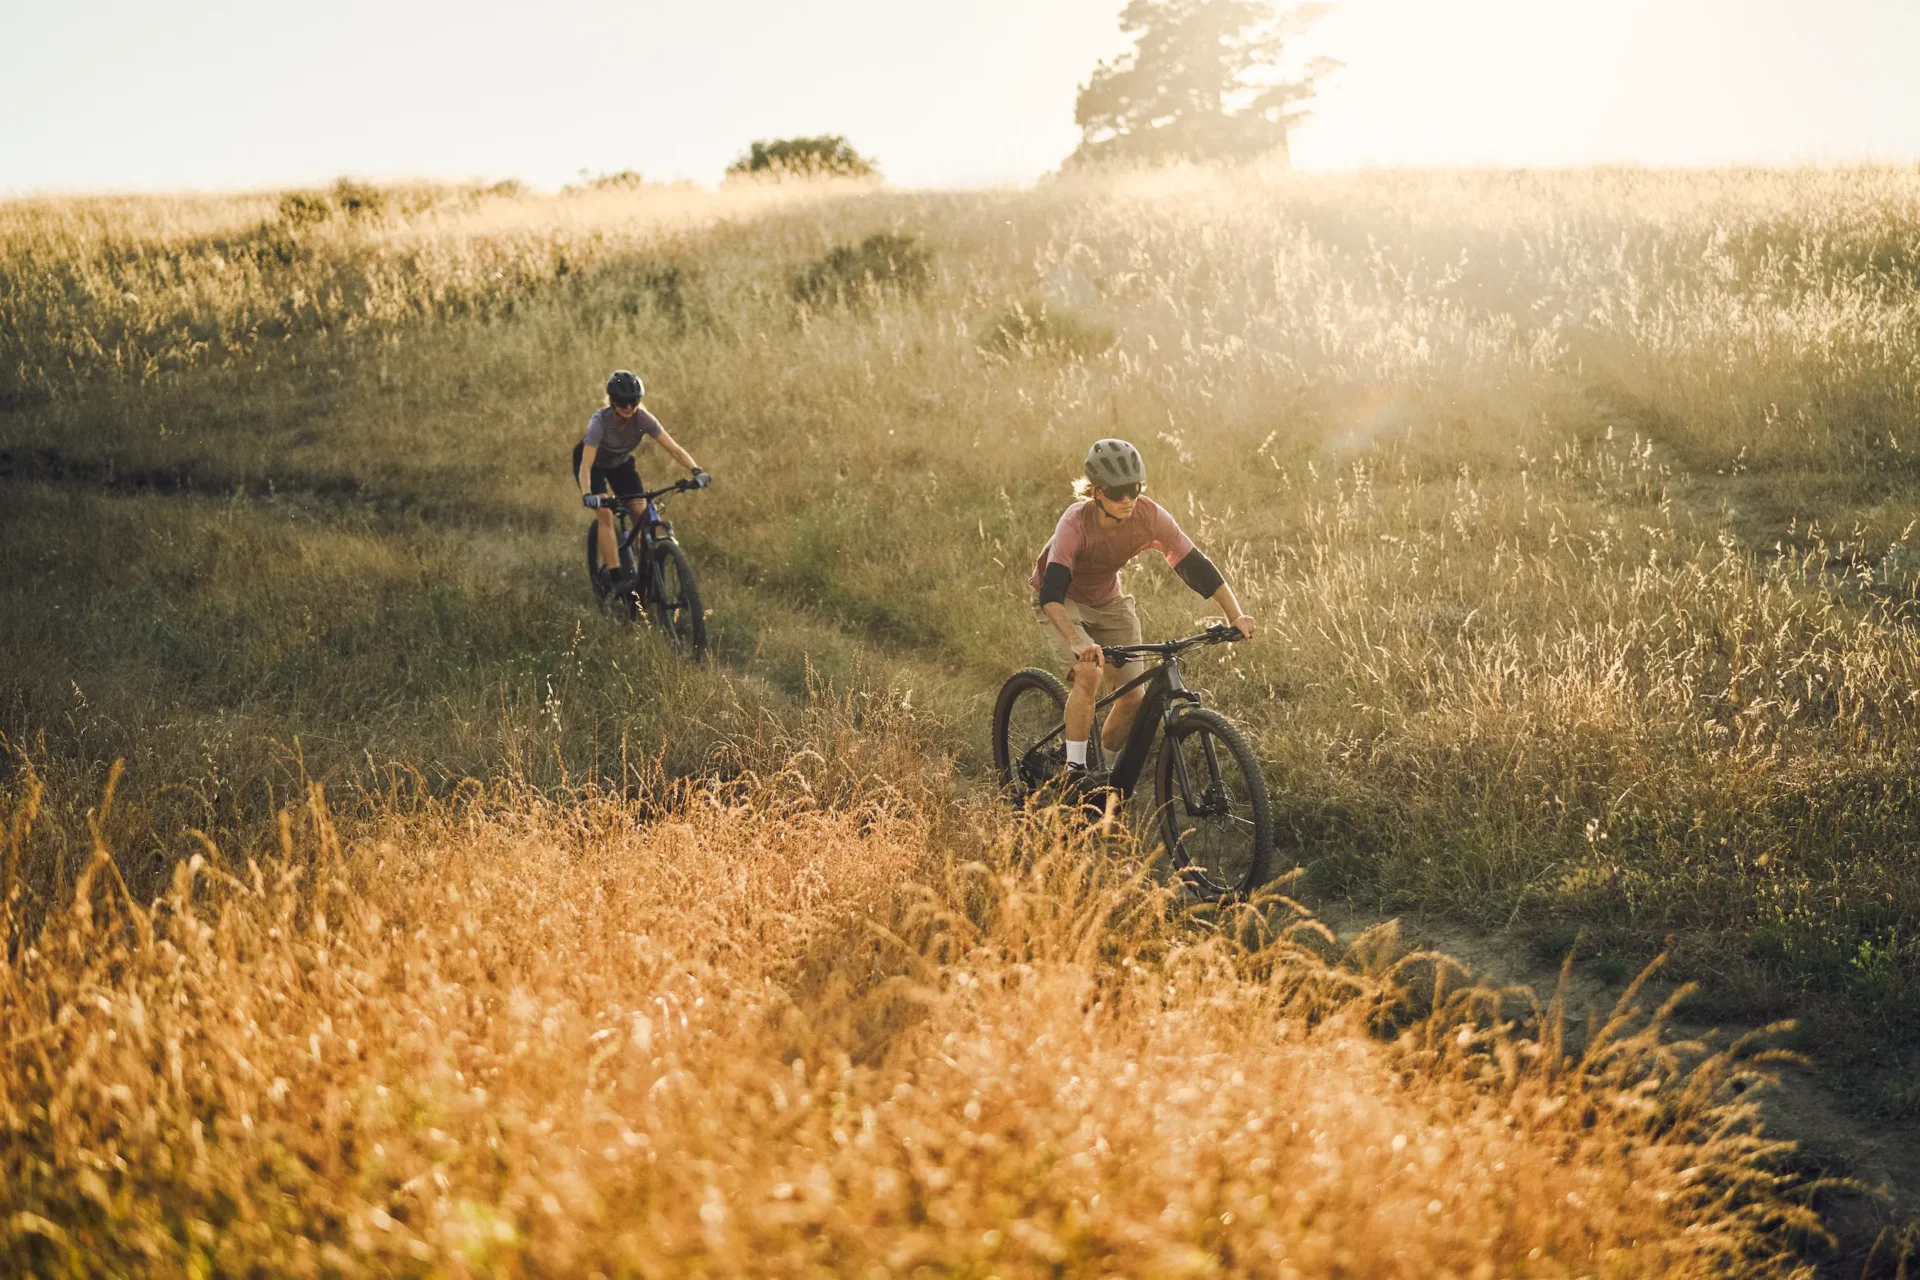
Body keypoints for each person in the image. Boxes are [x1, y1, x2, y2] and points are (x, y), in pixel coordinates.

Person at [1031, 438, 1254, 783]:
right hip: (1062, 601)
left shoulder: (1149, 516)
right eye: (1119, 492)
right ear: (1097, 492)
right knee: (1088, 672)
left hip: (1108, 600)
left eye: (1134, 489)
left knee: (1133, 699)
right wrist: (1077, 642)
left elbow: (1195, 566)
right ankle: (1073, 772)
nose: (1128, 500)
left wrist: (1234, 615)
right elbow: (1051, 594)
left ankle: (1098, 778)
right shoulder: (1074, 524)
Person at [574, 369, 707, 589]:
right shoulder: (599, 423)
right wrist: (588, 494)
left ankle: (642, 562)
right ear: (612, 401)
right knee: (605, 514)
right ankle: (616, 576)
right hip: (594, 464)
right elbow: (586, 465)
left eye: (634, 402)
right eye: (623, 402)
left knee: (640, 510)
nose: (629, 408)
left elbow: (673, 448)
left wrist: (696, 470)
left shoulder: (643, 418)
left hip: (621, 463)